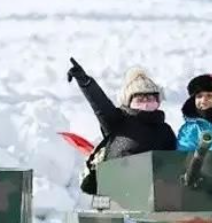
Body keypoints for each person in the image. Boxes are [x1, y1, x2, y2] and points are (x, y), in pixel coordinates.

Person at [67, 57, 176, 194]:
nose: (146, 102)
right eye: (140, 98)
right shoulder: (117, 121)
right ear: (128, 101)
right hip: (118, 193)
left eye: (150, 97)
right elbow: (100, 104)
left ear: (158, 101)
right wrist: (86, 82)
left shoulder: (165, 130)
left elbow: (173, 164)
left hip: (153, 197)